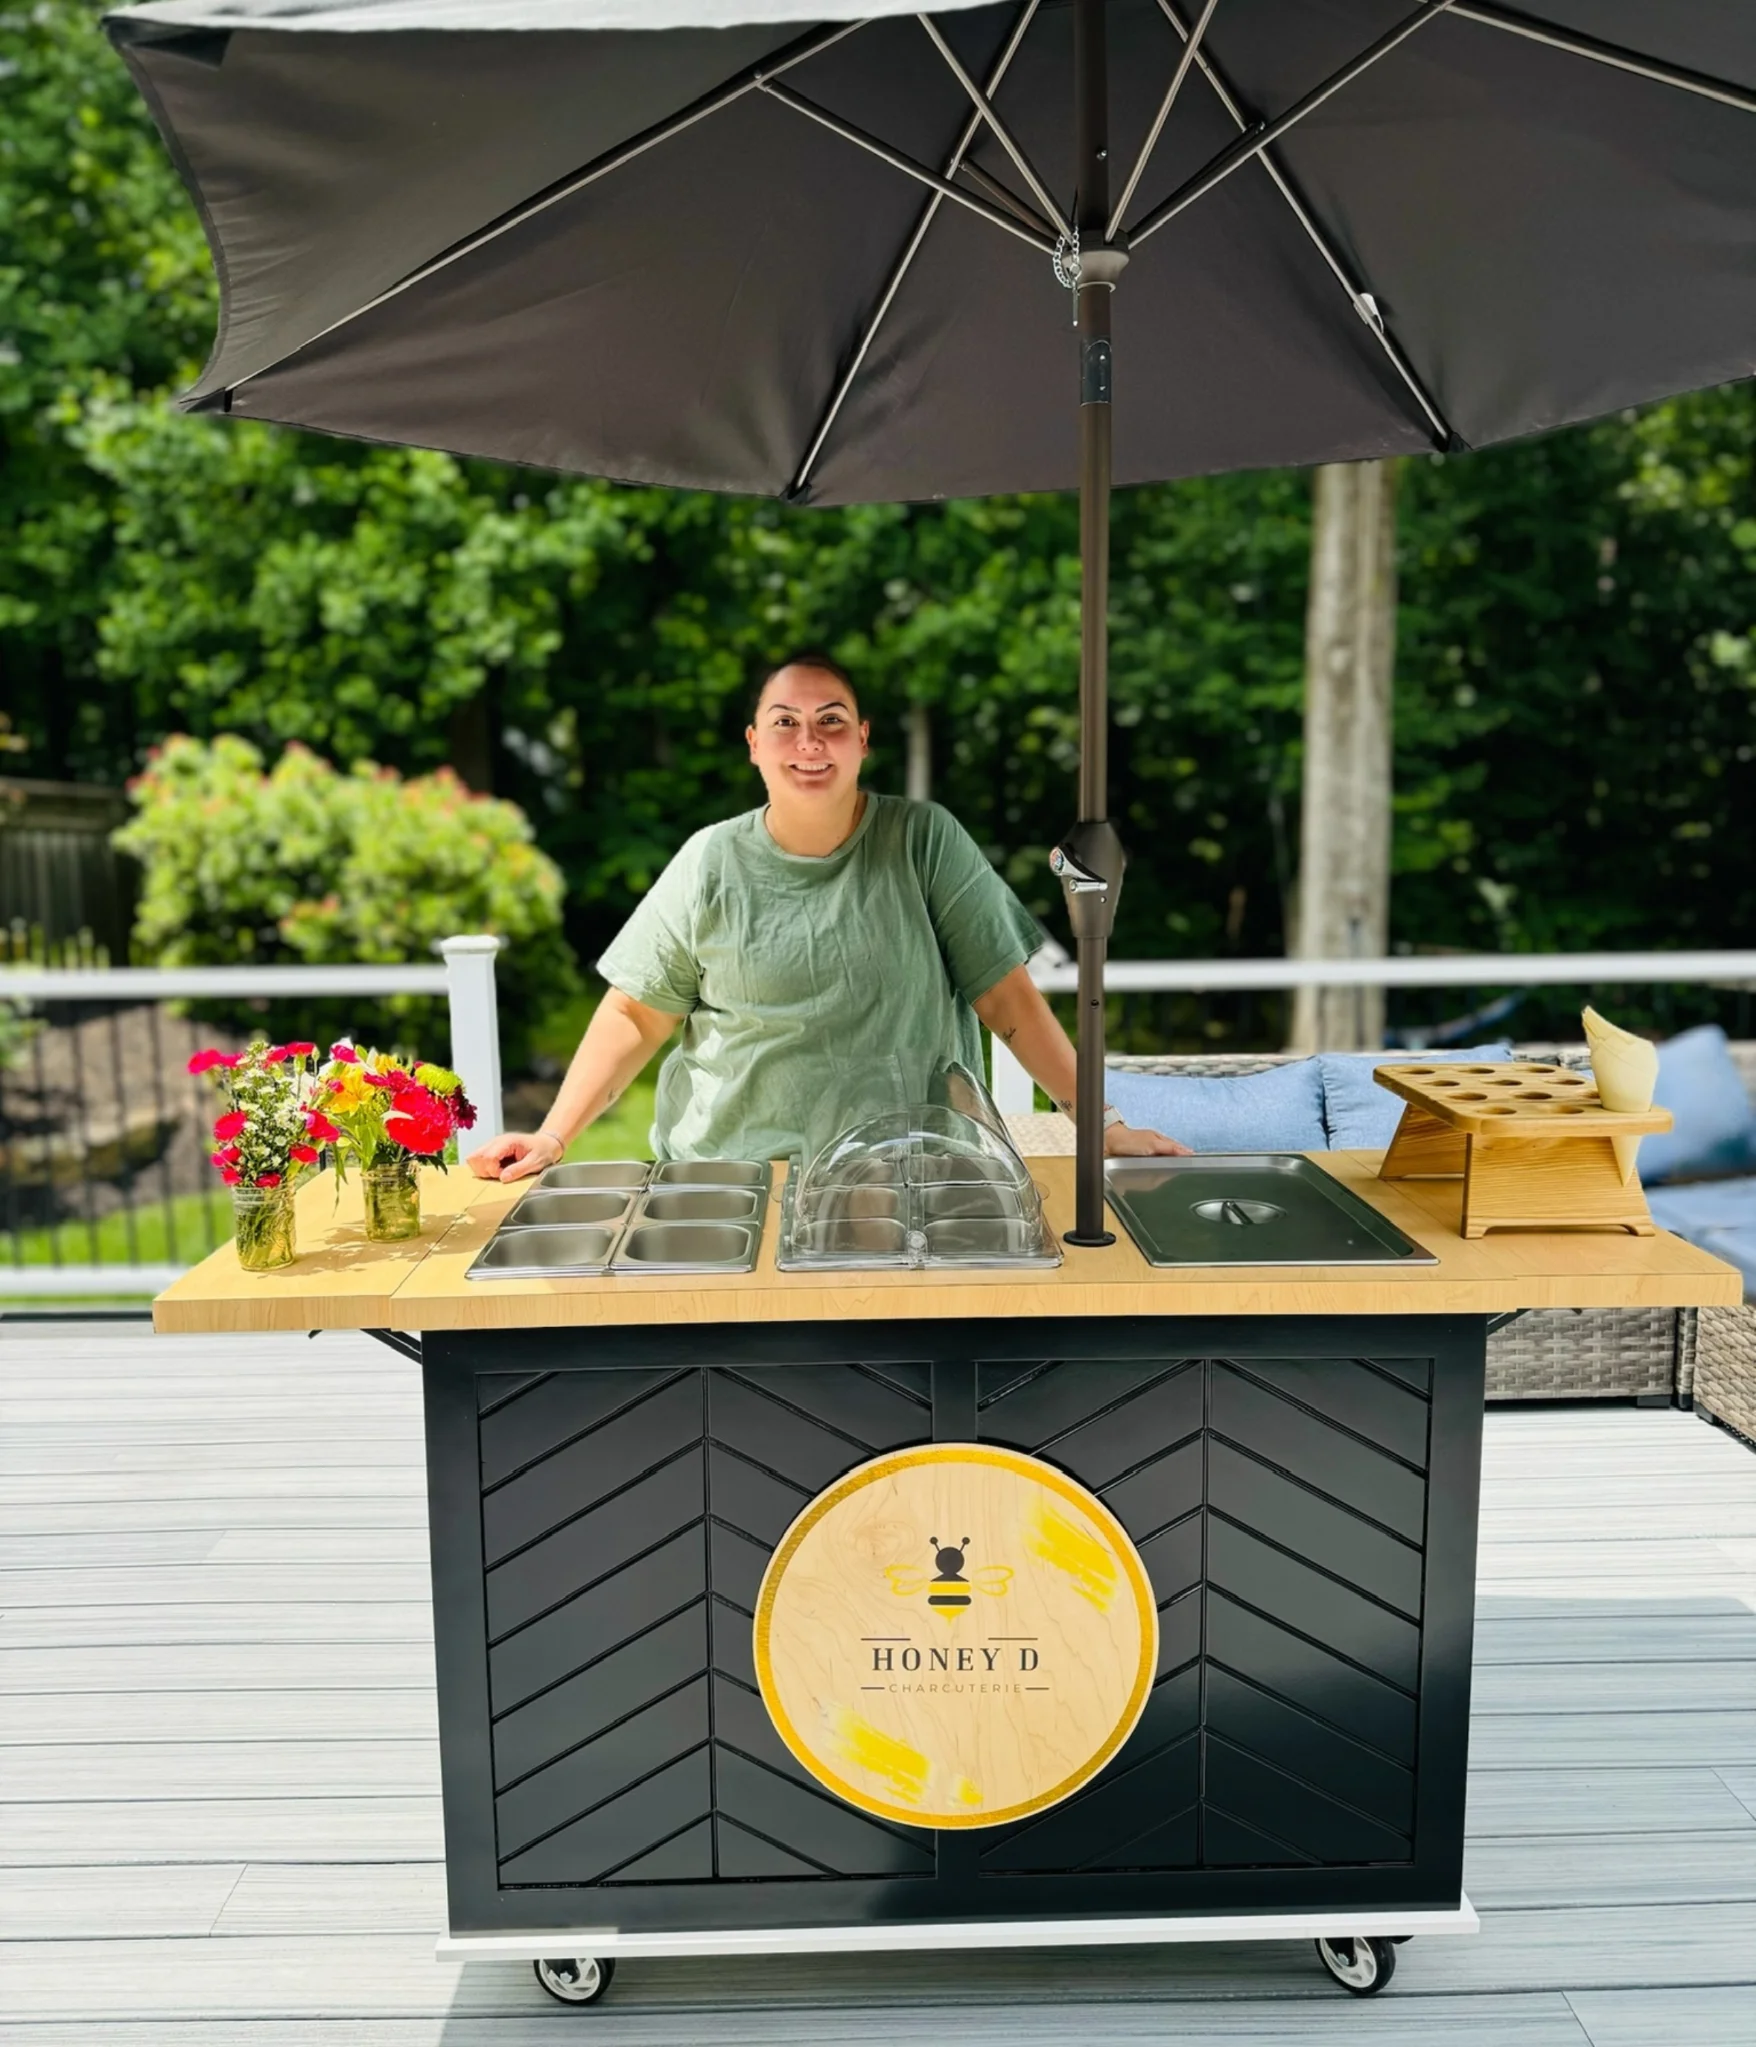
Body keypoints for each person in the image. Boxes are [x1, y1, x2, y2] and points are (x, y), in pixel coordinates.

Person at [467, 654, 1189, 1180]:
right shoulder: (709, 860)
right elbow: (635, 1013)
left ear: (863, 739)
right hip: (736, 1183)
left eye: (831, 722)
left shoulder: (924, 840)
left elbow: (1008, 999)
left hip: (911, 1178)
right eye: (785, 723)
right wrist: (553, 1136)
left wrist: (1101, 1127)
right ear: (754, 744)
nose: (809, 742)